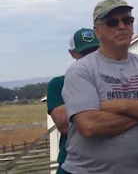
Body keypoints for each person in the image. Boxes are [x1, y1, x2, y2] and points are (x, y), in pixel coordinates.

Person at [60, 0, 138, 174]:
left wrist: (120, 106)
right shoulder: (81, 70)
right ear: (97, 31)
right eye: (112, 22)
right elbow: (89, 125)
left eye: (127, 20)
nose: (122, 26)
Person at [46, 28, 101, 174]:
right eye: (84, 53)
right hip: (71, 165)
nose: (90, 57)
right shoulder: (58, 84)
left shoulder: (111, 81)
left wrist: (84, 111)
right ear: (72, 54)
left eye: (95, 51)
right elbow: (65, 125)